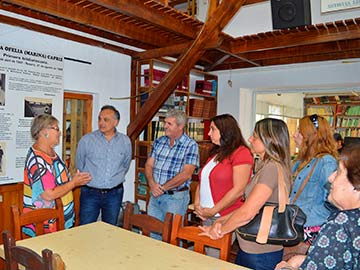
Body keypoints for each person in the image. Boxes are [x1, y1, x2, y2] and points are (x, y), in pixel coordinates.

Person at [200, 118, 292, 270]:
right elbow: (249, 207)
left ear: (270, 140)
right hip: (250, 248)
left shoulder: (271, 168)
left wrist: (219, 231)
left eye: (255, 136)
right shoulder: (265, 167)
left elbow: (248, 212)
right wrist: (220, 221)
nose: (250, 139)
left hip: (260, 253)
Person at [276, 144, 360, 270]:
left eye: (338, 172)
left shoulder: (340, 225)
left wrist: (287, 267)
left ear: (356, 185)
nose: (331, 178)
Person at [23, 114, 91, 237]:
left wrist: (72, 178)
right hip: (46, 223)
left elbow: (57, 180)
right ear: (44, 132)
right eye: (56, 128)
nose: (60, 132)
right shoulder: (38, 160)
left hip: (59, 218)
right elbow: (49, 194)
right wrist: (74, 183)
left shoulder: (49, 151)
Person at [76, 105, 132, 225]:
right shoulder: (87, 140)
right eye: (99, 119)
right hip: (90, 193)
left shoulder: (125, 141)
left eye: (106, 120)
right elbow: (80, 164)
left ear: (115, 122)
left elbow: (125, 165)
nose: (101, 122)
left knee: (110, 230)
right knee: (85, 229)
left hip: (114, 194)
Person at [194, 114, 253, 226]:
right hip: (206, 215)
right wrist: (197, 205)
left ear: (225, 131)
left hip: (226, 216)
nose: (208, 133)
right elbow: (203, 180)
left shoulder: (241, 152)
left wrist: (213, 210)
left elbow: (239, 190)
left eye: (212, 129)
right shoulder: (216, 152)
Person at [290, 114, 338, 252]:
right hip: (295, 225)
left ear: (312, 136)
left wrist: (310, 217)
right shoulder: (300, 161)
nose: (294, 135)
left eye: (300, 132)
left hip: (311, 229)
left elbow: (334, 201)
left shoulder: (326, 162)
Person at [145, 109, 199, 230]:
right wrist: (152, 184)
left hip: (175, 199)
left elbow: (186, 174)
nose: (165, 126)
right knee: (152, 233)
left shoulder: (191, 145)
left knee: (171, 235)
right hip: (155, 196)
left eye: (169, 124)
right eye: (165, 123)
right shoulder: (159, 142)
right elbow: (149, 165)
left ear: (180, 126)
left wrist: (163, 188)